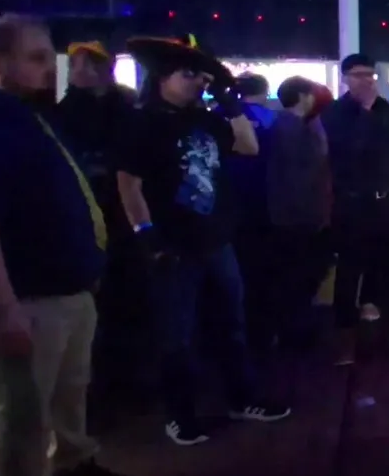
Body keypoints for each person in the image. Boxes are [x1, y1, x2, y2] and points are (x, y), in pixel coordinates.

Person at [0, 15, 135, 476]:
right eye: (37, 58)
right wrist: (3, 309)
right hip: (28, 299)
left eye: (51, 57)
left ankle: (73, 469)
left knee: (68, 395)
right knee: (23, 413)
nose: (52, 68)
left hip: (65, 289)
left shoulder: (25, 115)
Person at [115, 34, 290, 446]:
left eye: (202, 76)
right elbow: (128, 183)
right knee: (176, 335)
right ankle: (180, 414)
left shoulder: (205, 119)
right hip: (174, 244)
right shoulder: (144, 123)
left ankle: (241, 398)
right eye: (189, 74)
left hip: (217, 239)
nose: (198, 82)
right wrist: (146, 235)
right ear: (164, 77)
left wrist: (231, 105)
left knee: (231, 324)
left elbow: (248, 146)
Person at [54, 42, 147, 407]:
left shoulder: (117, 110)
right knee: (103, 306)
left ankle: (121, 385)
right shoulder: (66, 112)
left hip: (116, 219)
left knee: (124, 302)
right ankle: (105, 389)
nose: (80, 70)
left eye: (87, 64)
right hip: (91, 220)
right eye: (76, 64)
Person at [321, 54, 389, 366]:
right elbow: (347, 153)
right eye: (358, 75)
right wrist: (367, 114)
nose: (367, 80)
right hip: (353, 202)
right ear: (345, 78)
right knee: (349, 272)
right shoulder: (335, 113)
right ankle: (345, 337)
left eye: (370, 74)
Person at [267, 76, 335, 350]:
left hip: (284, 214)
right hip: (300, 216)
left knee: (290, 275)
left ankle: (290, 330)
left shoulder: (280, 124)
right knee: (300, 275)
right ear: (304, 96)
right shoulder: (297, 129)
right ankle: (296, 332)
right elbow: (311, 170)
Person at [224, 73, 283, 356]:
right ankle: (261, 336)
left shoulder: (219, 115)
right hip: (264, 204)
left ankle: (228, 335)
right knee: (261, 273)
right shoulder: (273, 119)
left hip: (223, 205)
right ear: (265, 90)